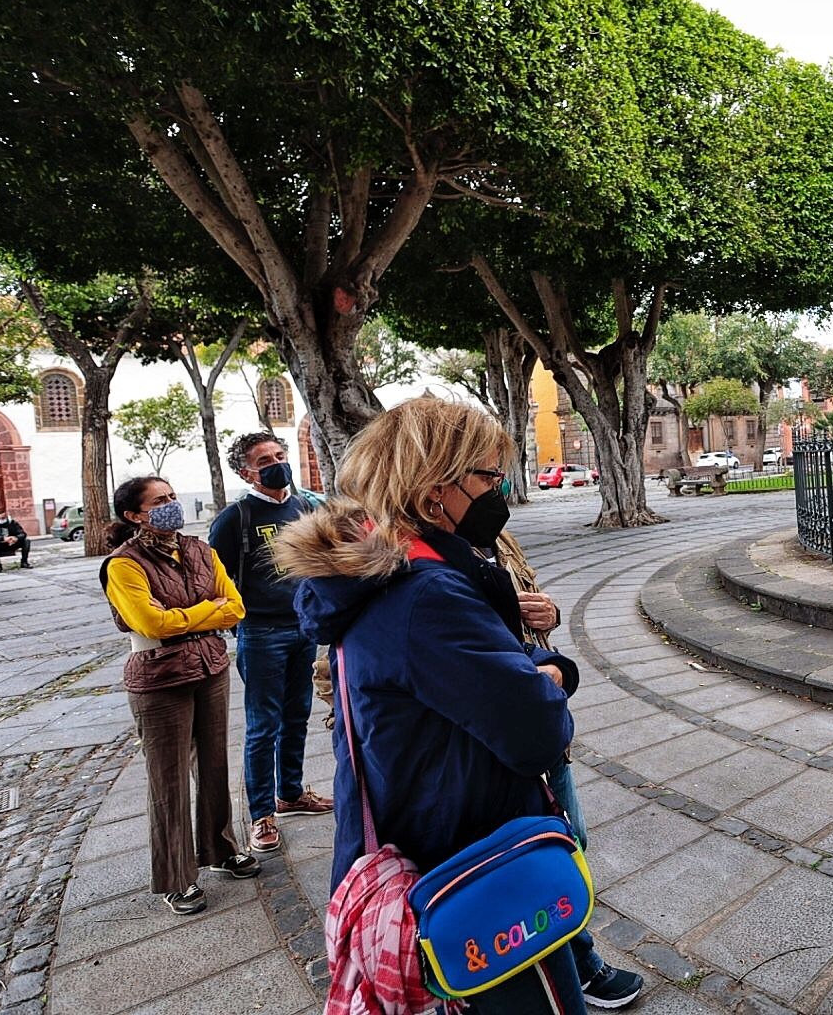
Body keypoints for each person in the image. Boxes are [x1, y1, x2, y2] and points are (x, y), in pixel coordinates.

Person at [273, 397, 587, 1015]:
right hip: (471, 859)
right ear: (434, 485)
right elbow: (535, 735)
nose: (498, 491)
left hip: (424, 829)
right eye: (488, 477)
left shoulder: (374, 577)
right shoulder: (426, 594)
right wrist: (547, 675)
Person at [490, 527, 645, 1010]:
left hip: (541, 721)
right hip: (507, 731)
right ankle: (580, 967)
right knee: (548, 854)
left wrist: (548, 615)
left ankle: (569, 965)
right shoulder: (433, 560)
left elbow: (529, 617)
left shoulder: (498, 537)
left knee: (571, 840)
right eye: (486, 476)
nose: (497, 486)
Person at [100, 476, 261, 915]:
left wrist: (187, 617)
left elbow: (236, 604)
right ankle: (176, 876)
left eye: (172, 497)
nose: (171, 504)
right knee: (167, 780)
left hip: (210, 666)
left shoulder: (199, 549)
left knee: (213, 764)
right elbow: (151, 624)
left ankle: (222, 849)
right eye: (160, 501)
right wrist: (208, 613)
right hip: (159, 677)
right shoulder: (123, 565)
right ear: (135, 515)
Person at [209, 432, 332, 856]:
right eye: (265, 459)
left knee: (298, 714)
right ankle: (261, 813)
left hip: (303, 628)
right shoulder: (235, 518)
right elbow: (215, 578)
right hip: (261, 633)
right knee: (264, 726)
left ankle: (292, 792)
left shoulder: (304, 507)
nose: (278, 463)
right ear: (246, 471)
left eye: (281, 455)